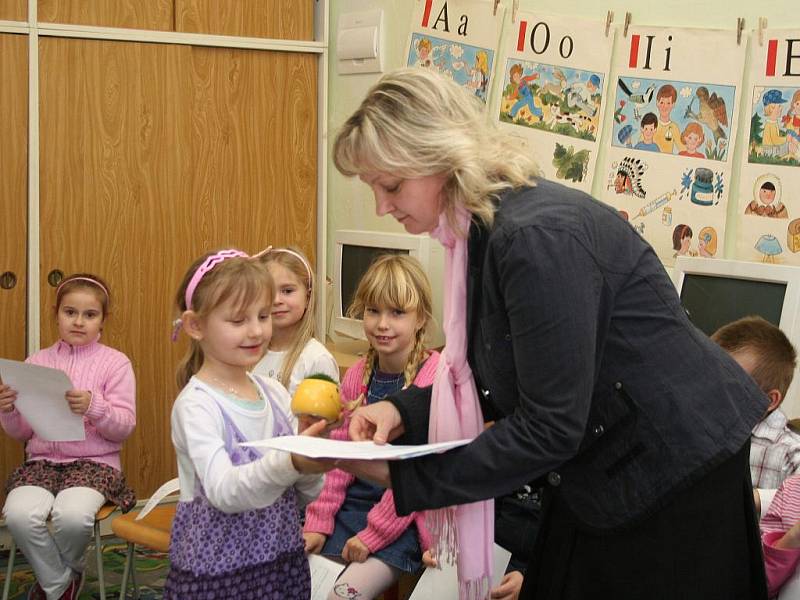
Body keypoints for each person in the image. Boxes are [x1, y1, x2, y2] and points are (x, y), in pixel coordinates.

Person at [329, 68, 768, 599]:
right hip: (608, 464)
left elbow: (550, 425)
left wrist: (405, 479)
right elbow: (495, 368)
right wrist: (402, 412)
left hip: (672, 475)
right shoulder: (482, 231)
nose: (381, 205)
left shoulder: (534, 238)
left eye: (390, 184)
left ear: (440, 156)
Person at [165, 249, 326, 599]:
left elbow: (308, 493)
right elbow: (224, 492)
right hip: (216, 576)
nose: (256, 331)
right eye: (238, 321)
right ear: (196, 326)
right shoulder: (197, 405)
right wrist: (292, 460)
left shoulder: (275, 394)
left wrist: (314, 455)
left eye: (263, 315)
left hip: (280, 565)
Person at [303, 254, 438, 600]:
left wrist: (372, 536)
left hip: (403, 520)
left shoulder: (433, 378)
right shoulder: (356, 376)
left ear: (421, 317)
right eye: (373, 311)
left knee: (341, 596)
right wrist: (318, 522)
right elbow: (339, 462)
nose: (382, 324)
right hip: (352, 509)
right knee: (301, 586)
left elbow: (420, 476)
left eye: (397, 313)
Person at [0, 274, 136, 600]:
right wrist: (8, 410)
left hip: (95, 465)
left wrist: (94, 406)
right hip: (43, 463)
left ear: (103, 319)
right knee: (17, 514)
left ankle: (58, 578)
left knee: (72, 517)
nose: (78, 321)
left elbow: (125, 426)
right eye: (69, 312)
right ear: (56, 314)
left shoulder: (115, 363)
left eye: (90, 315)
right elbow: (21, 432)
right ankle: (61, 582)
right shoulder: (37, 363)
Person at [712, 316, 800, 490]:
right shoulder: (701, 430)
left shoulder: (790, 453)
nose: (714, 389)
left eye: (730, 383)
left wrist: (758, 500)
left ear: (769, 400)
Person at [253, 246, 339, 395]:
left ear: (308, 296)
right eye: (268, 292)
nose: (277, 300)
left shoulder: (317, 359)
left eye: (287, 291)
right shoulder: (248, 351)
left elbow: (324, 416)